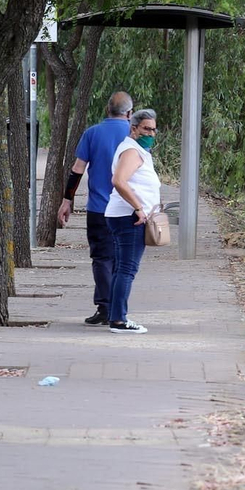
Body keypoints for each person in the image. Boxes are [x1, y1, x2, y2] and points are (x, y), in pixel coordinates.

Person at [57, 92, 133, 326]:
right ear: (129, 113)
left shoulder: (92, 133)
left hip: (98, 209)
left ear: (107, 109)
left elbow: (77, 170)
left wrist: (67, 200)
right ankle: (117, 310)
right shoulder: (134, 135)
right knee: (122, 260)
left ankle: (105, 307)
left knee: (101, 258)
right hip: (128, 208)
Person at [105, 109, 161, 335]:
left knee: (122, 268)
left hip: (125, 215)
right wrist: (138, 208)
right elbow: (119, 181)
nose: (151, 134)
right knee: (127, 269)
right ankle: (119, 320)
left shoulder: (138, 150)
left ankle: (115, 315)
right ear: (134, 128)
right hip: (129, 217)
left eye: (154, 129)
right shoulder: (131, 151)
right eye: (146, 129)